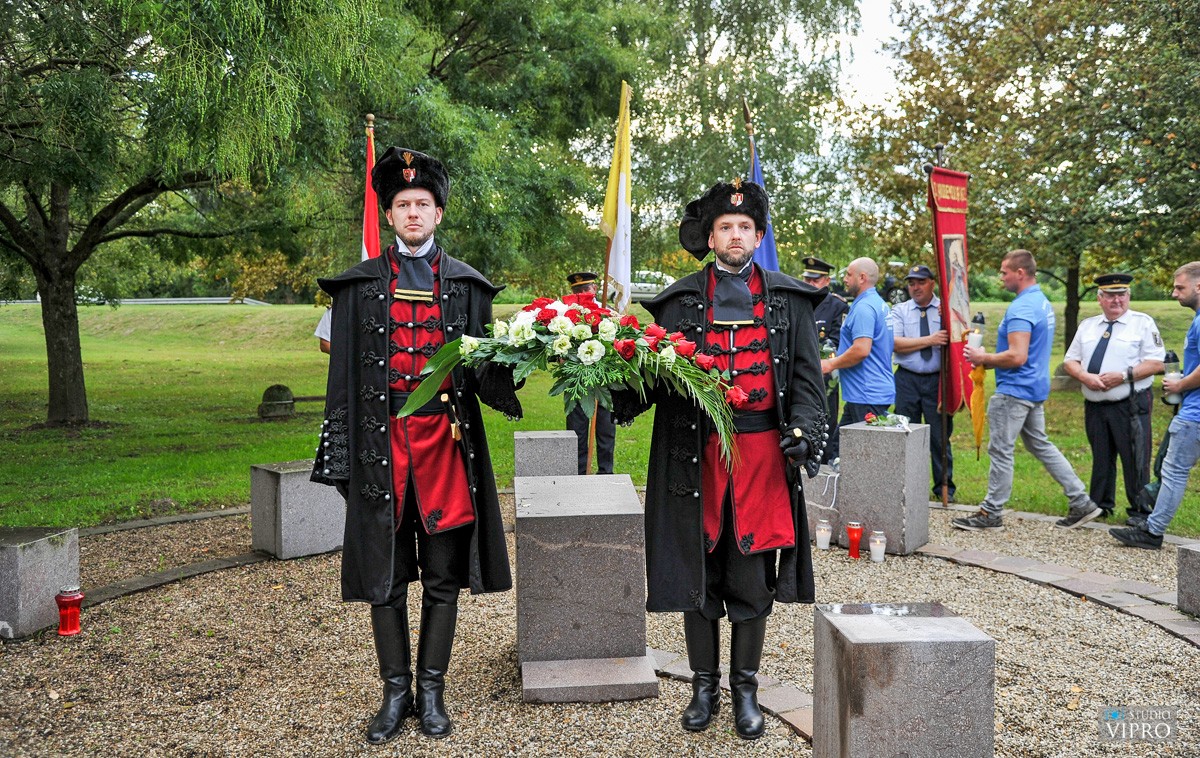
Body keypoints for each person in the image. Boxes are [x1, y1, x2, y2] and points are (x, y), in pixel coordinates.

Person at [310, 147, 519, 743]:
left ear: (438, 213)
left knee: (443, 576)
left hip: (446, 449)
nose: (413, 213)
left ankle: (431, 692)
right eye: (402, 204)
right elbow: (341, 381)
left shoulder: (468, 286)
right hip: (382, 450)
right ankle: (394, 692)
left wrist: (529, 354)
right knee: (388, 575)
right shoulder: (357, 287)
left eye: (422, 204)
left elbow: (486, 378)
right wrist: (342, 459)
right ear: (389, 213)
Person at [612, 179, 826, 741]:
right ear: (710, 237)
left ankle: (745, 690)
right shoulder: (677, 302)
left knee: (751, 578)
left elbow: (808, 382)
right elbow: (651, 382)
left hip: (762, 462)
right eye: (725, 227)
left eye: (744, 227)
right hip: (695, 459)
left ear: (758, 236)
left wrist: (803, 432)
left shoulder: (790, 300)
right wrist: (607, 374)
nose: (735, 235)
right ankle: (703, 688)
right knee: (698, 576)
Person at [953, 249, 1100, 531]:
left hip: (1015, 390)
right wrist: (989, 360)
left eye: (1004, 272)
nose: (1001, 277)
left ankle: (991, 512)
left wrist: (983, 357)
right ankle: (1081, 502)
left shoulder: (1021, 308)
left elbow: (1017, 356)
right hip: (1034, 387)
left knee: (1001, 450)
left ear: (1020, 273)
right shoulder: (1041, 302)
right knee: (1040, 445)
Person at [1111, 262, 1200, 549]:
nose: (1174, 293)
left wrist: (1180, 385)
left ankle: (1152, 532)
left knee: (1173, 472)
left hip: (1195, 414)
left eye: (1180, 287)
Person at [1062, 273, 1164, 522]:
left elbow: (1156, 362)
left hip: (1130, 404)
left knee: (1135, 459)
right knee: (1101, 457)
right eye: (1110, 295)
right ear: (1100, 298)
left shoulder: (1142, 323)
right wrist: (1084, 376)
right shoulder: (1088, 326)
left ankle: (1140, 511)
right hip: (1095, 404)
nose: (1116, 300)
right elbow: (1070, 360)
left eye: (1121, 294)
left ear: (1129, 296)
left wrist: (1123, 376)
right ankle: (1100, 505)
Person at [890, 264, 955, 501]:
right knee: (907, 434)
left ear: (932, 283)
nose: (915, 287)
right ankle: (908, 488)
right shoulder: (900, 310)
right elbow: (896, 343)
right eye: (911, 283)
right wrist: (931, 339)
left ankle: (944, 488)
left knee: (940, 436)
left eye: (921, 282)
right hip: (907, 379)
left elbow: (957, 339)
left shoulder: (946, 310)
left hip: (937, 381)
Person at [819, 257, 895, 425]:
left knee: (860, 442)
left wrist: (830, 364)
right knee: (840, 440)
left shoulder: (864, 308)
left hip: (867, 394)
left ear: (862, 278)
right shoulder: (878, 303)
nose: (845, 279)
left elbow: (861, 349)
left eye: (849, 274)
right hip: (865, 394)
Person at [564, 271, 616, 474]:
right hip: (577, 379)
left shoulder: (608, 313)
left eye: (586, 289)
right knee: (577, 430)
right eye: (579, 290)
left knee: (605, 428)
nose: (584, 293)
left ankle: (605, 473)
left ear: (594, 288)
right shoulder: (566, 315)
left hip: (603, 379)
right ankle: (578, 473)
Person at [802, 256, 848, 465]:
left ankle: (824, 461)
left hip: (824, 375)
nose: (810, 284)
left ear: (827, 281)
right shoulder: (799, 300)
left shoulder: (837, 306)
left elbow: (837, 343)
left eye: (816, 280)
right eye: (807, 279)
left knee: (826, 420)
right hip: (799, 373)